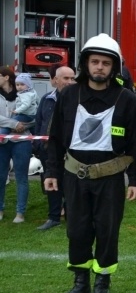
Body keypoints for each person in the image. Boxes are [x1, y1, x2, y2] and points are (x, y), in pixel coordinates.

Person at [46, 34, 136, 293]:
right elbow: (55, 138)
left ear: (114, 67)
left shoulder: (126, 99)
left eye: (105, 63)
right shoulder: (69, 94)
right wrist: (51, 172)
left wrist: (135, 179)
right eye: (95, 61)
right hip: (74, 177)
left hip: (110, 179)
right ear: (85, 64)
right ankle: (80, 284)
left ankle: (102, 285)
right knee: (76, 230)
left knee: (107, 231)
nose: (100, 67)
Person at [34, 65, 76, 231]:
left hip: (71, 153)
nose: (70, 82)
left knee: (71, 185)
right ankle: (53, 217)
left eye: (72, 78)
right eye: (66, 78)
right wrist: (37, 145)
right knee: (51, 183)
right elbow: (39, 122)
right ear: (55, 80)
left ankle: (71, 216)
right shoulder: (46, 99)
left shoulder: (78, 100)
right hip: (48, 151)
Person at [0, 66, 34, 223]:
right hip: (2, 141)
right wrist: (14, 124)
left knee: (21, 177)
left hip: (22, 141)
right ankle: (0, 209)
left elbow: (33, 116)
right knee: (0, 177)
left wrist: (21, 126)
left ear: (6, 77)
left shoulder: (25, 92)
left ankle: (20, 213)